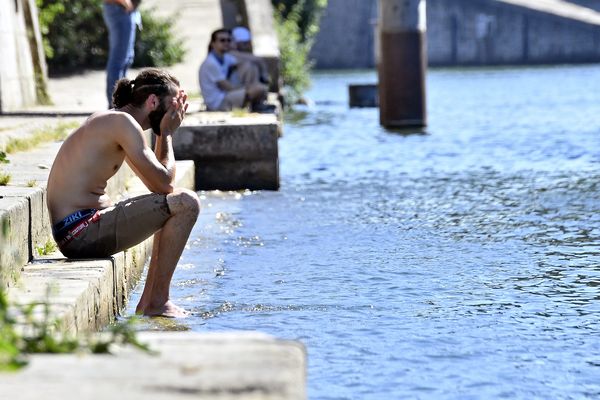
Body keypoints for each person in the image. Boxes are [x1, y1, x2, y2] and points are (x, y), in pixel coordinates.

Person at [46, 68, 200, 318]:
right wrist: (168, 133)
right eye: (172, 103)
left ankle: (150, 302)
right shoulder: (123, 124)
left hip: (78, 228)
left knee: (169, 205)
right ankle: (157, 302)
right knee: (186, 202)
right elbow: (164, 184)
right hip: (80, 232)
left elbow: (158, 186)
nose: (176, 112)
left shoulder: (116, 120)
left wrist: (162, 133)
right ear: (152, 101)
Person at [198, 28, 268, 112]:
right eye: (222, 40)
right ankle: (255, 105)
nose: (226, 43)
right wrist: (249, 89)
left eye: (228, 40)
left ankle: (255, 105)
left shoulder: (225, 57)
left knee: (250, 67)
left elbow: (249, 62)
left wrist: (234, 50)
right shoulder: (211, 63)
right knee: (260, 89)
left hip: (225, 94)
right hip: (218, 103)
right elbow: (228, 87)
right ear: (213, 43)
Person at [103, 0, 142, 108]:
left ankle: (120, 101)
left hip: (125, 10)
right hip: (120, 8)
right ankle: (115, 104)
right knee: (118, 61)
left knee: (126, 59)